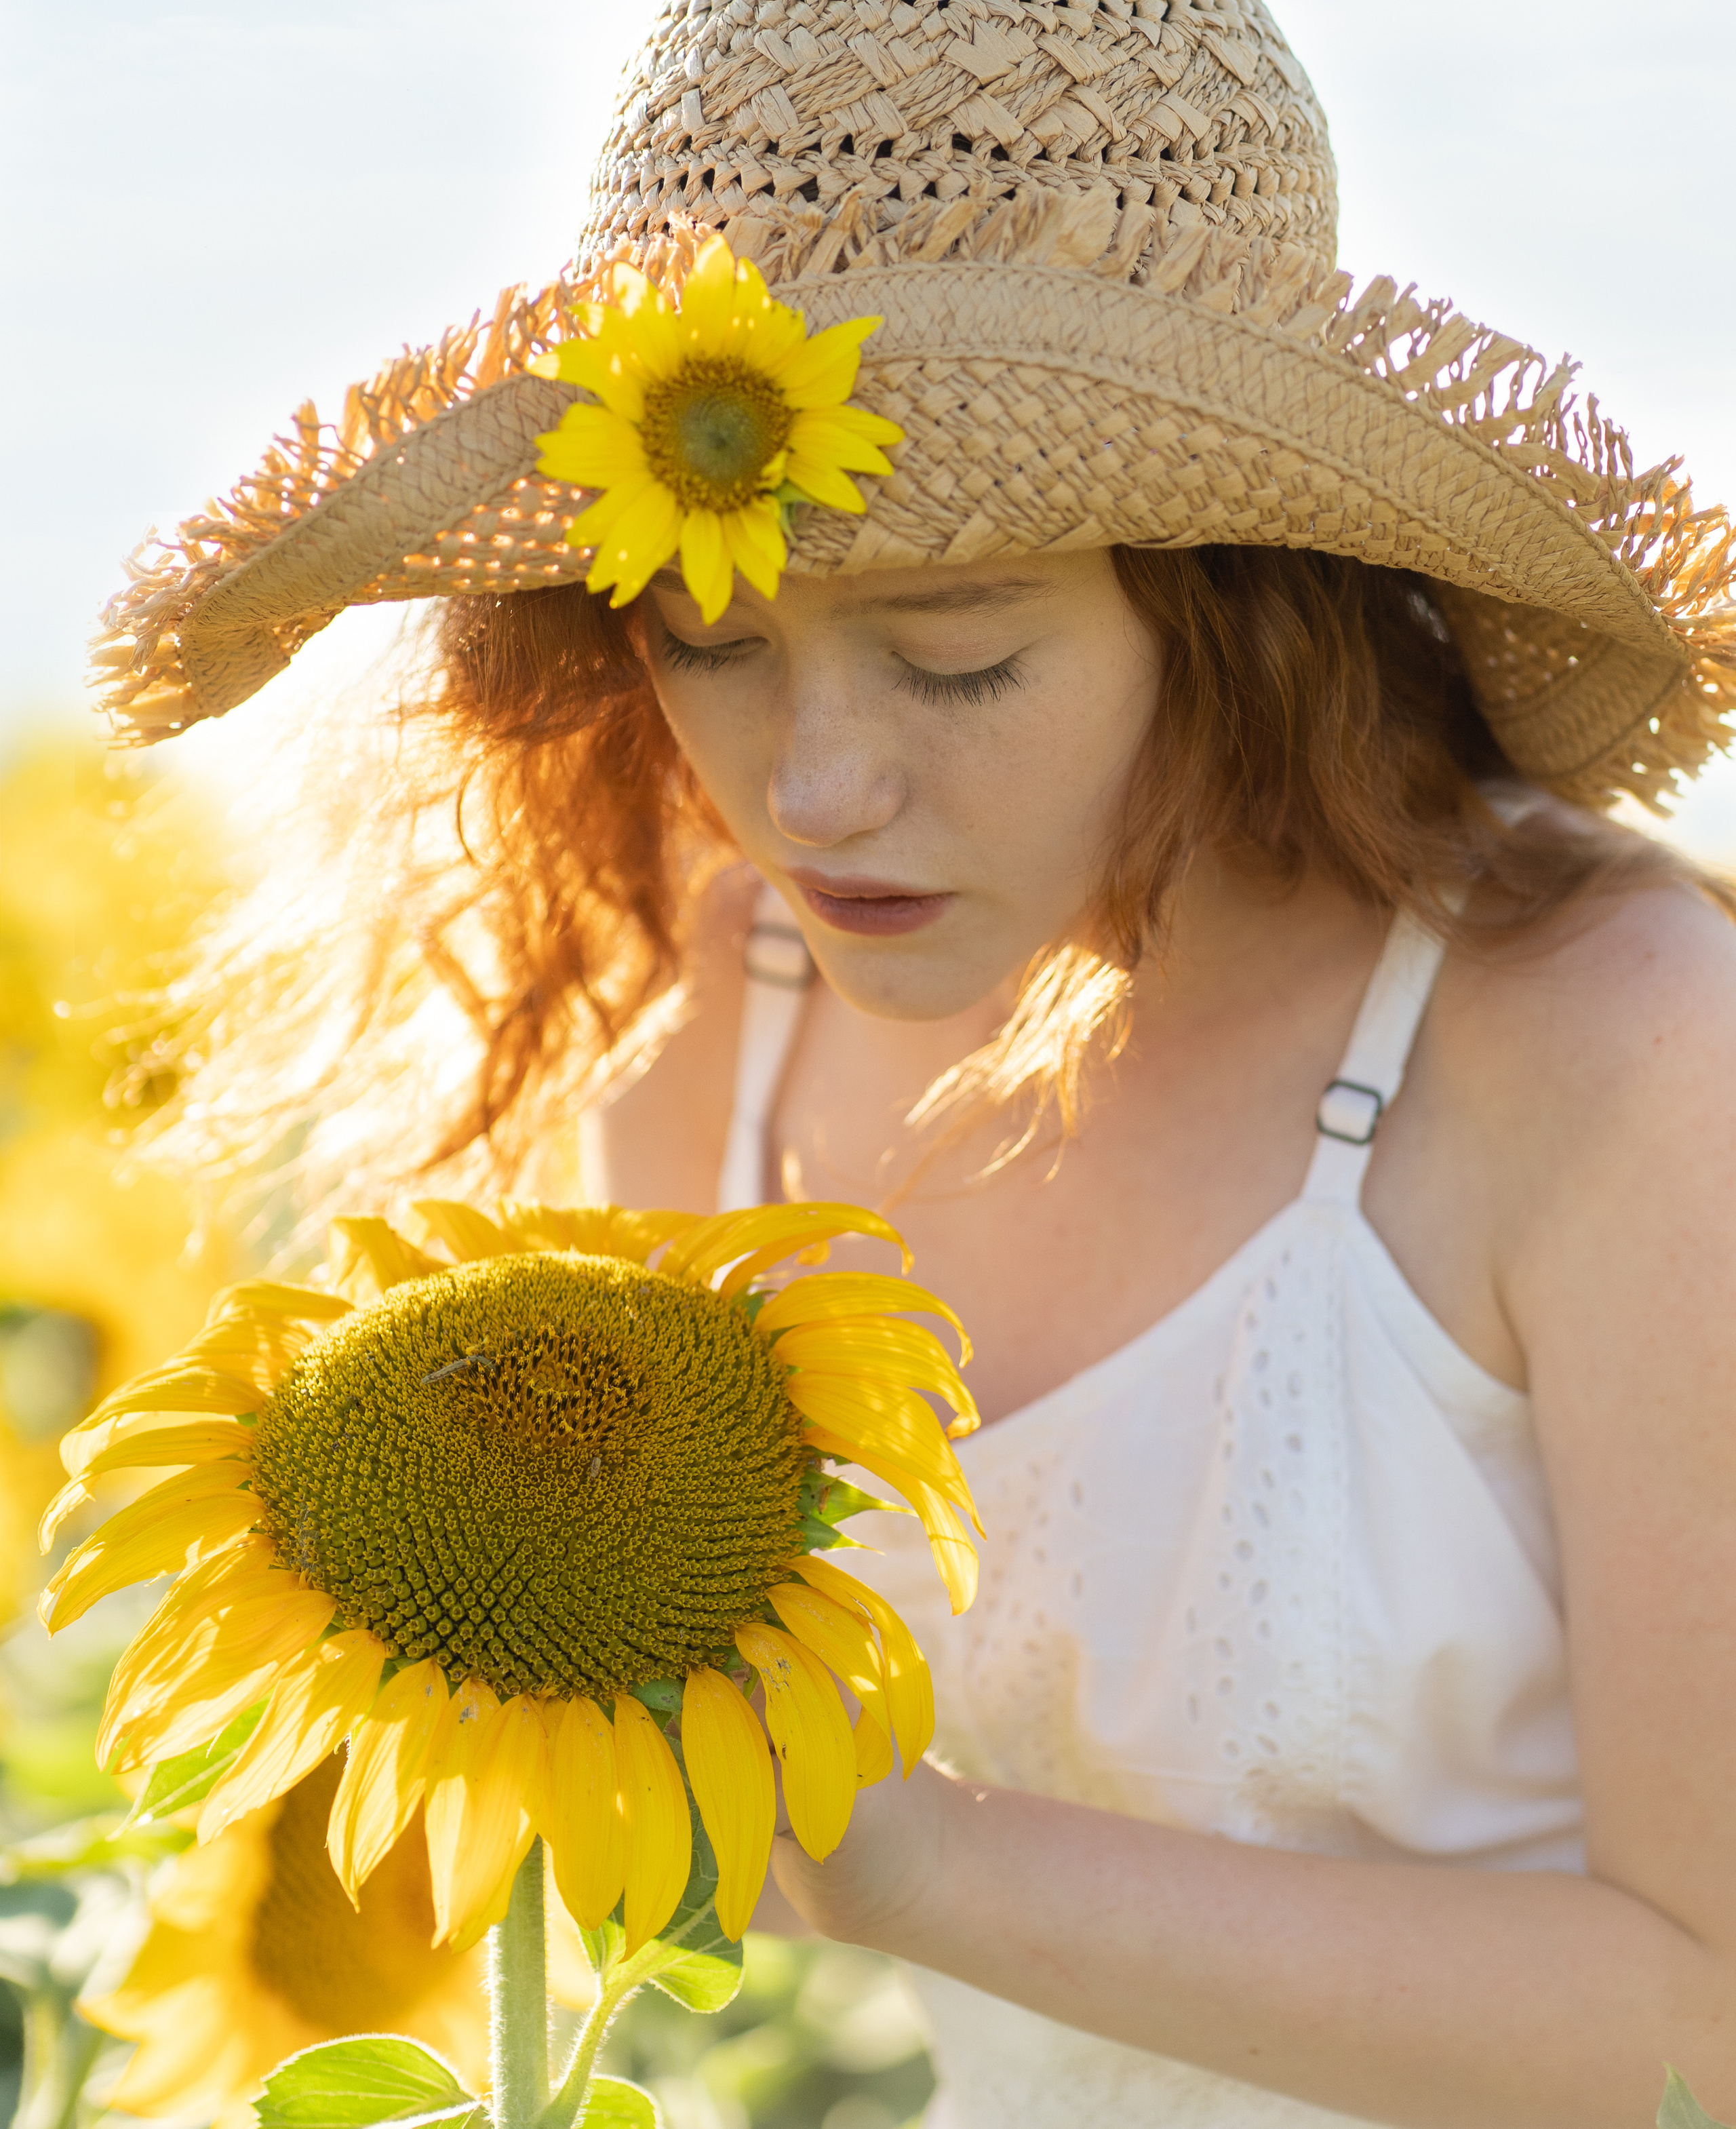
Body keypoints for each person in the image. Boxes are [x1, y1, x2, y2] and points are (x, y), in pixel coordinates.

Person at [95, 0, 1736, 2122]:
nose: (815, 789)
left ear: (1244, 606)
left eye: (959, 655)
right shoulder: (712, 1027)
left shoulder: (1614, 1046)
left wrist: (920, 1862)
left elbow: (1711, 2014)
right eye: (711, 640)